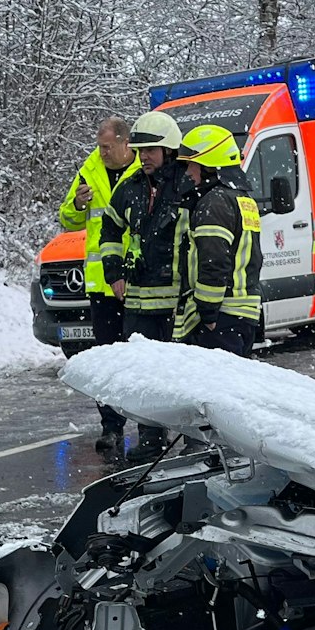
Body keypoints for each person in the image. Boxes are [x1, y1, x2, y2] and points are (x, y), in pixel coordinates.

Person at [93, 110, 189, 460]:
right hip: (138, 302)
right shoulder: (130, 188)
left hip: (177, 305)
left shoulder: (186, 186)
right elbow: (110, 229)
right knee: (146, 378)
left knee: (182, 378)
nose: (143, 156)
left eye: (151, 150)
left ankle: (195, 442)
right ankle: (151, 440)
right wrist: (114, 270)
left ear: (169, 151)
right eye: (140, 149)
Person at [59, 116, 138, 448]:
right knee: (106, 359)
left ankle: (152, 428)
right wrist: (77, 203)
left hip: (137, 281)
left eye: (107, 147)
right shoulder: (89, 169)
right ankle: (111, 426)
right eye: (99, 146)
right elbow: (67, 218)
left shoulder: (144, 168)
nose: (101, 152)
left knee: (141, 357)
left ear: (124, 143)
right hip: (101, 284)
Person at [173, 125, 262, 357]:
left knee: (216, 390)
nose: (188, 173)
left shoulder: (213, 203)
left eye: (191, 164)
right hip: (243, 313)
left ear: (207, 164)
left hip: (222, 316)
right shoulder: (242, 198)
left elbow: (214, 261)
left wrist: (208, 313)